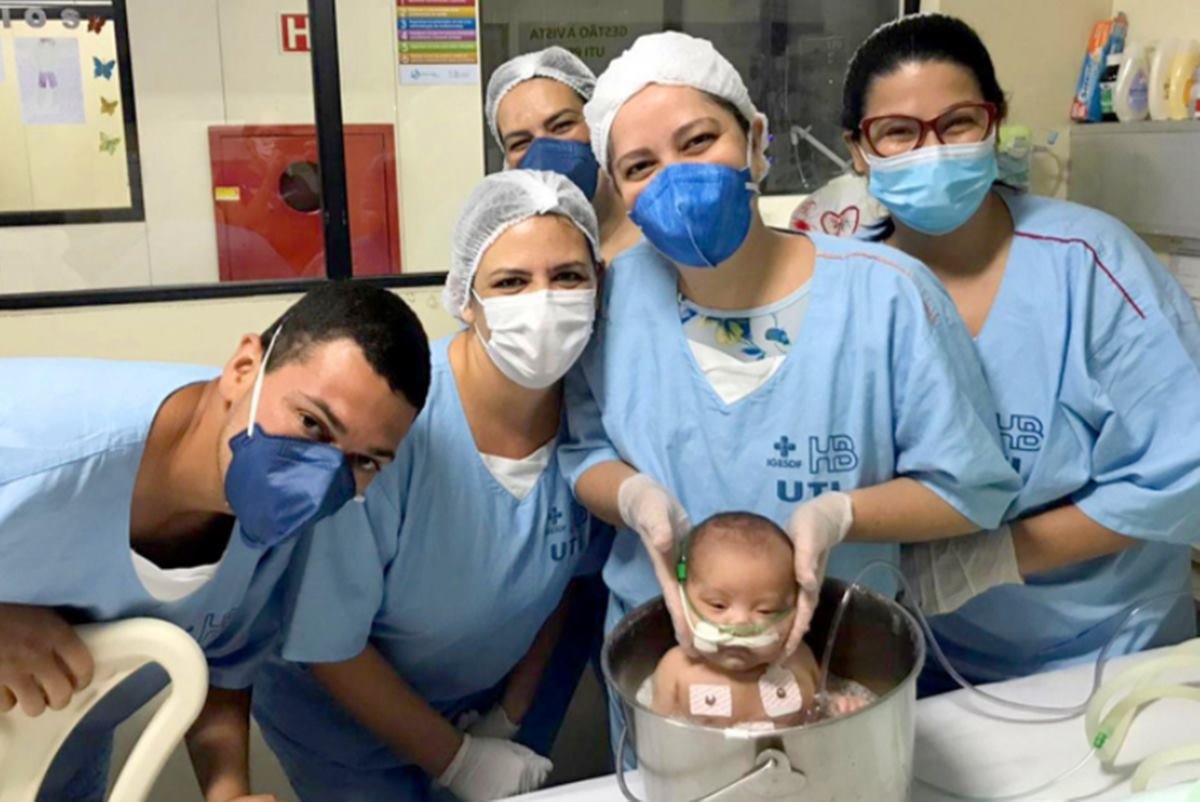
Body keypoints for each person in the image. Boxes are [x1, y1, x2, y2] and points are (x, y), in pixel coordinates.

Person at [559, 30, 1025, 691]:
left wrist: (841, 514)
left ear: (753, 140)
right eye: (640, 166)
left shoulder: (887, 293)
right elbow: (583, 452)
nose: (677, 179)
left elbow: (968, 489)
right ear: (619, 190)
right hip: (667, 666)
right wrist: (634, 498)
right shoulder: (611, 300)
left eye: (698, 142)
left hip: (839, 658)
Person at [841, 13, 1200, 690]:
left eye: (957, 124)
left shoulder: (1090, 264)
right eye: (897, 132)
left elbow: (1184, 470)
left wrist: (994, 557)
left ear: (995, 123)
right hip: (925, 660)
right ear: (859, 150)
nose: (932, 151)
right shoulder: (842, 286)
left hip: (1110, 654)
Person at [251, 170, 609, 802]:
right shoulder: (398, 424)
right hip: (340, 715)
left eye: (569, 277)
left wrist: (510, 716)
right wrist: (458, 761)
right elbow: (328, 641)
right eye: (511, 282)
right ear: (465, 297)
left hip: (481, 699)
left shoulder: (593, 420)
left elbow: (562, 586)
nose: (544, 302)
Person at [0, 282, 431, 802]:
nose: (320, 479)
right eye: (312, 423)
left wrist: (226, 791)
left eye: (365, 462)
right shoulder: (33, 445)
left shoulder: (275, 520)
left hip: (52, 764)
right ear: (243, 368)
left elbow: (223, 660)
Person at [650, 511, 870, 729]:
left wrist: (842, 707)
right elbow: (657, 738)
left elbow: (820, 711)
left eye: (766, 610)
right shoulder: (677, 671)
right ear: (681, 600)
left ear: (798, 611)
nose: (740, 623)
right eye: (718, 605)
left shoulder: (797, 661)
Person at [485, 46, 642, 262]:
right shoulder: (512, 257)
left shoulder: (662, 240)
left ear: (598, 124)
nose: (543, 150)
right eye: (520, 142)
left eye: (562, 125)